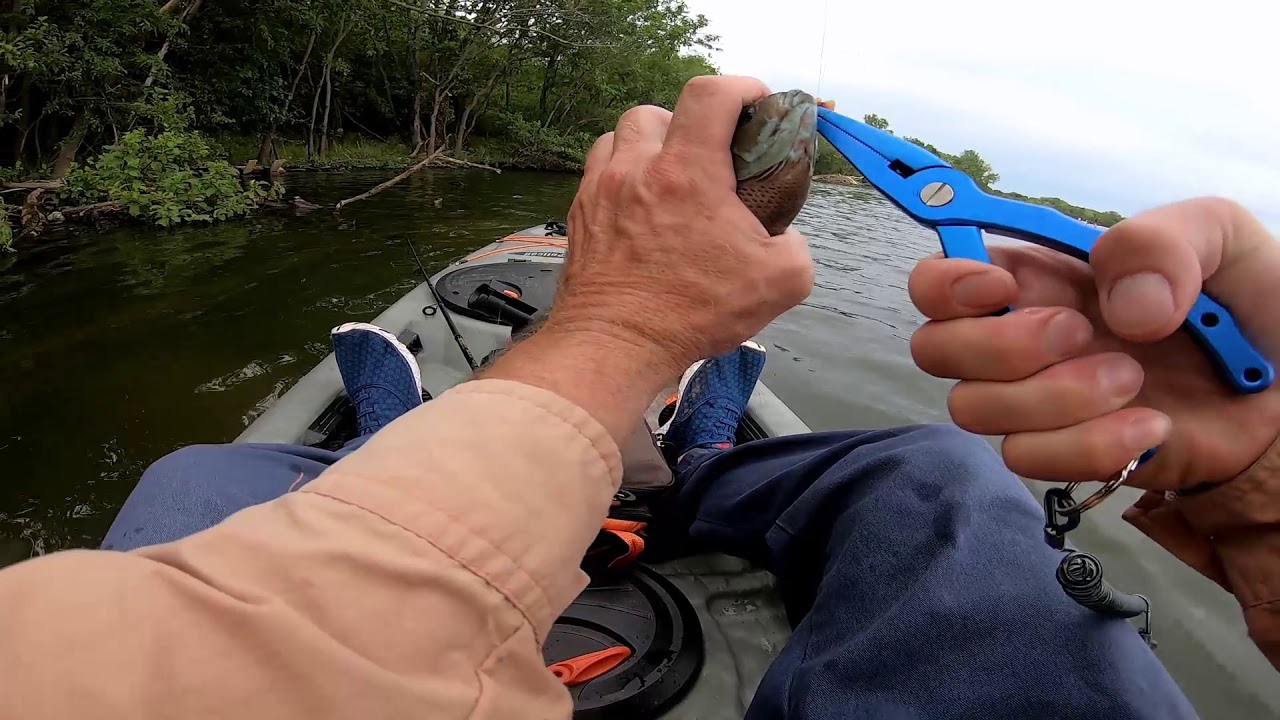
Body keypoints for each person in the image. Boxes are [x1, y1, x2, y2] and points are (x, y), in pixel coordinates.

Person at [0, 75, 1276, 719]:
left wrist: (616, 329)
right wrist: (1264, 506)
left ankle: (460, 429)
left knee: (198, 481)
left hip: (428, 525)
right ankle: (669, 433)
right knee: (942, 472)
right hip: (672, 498)